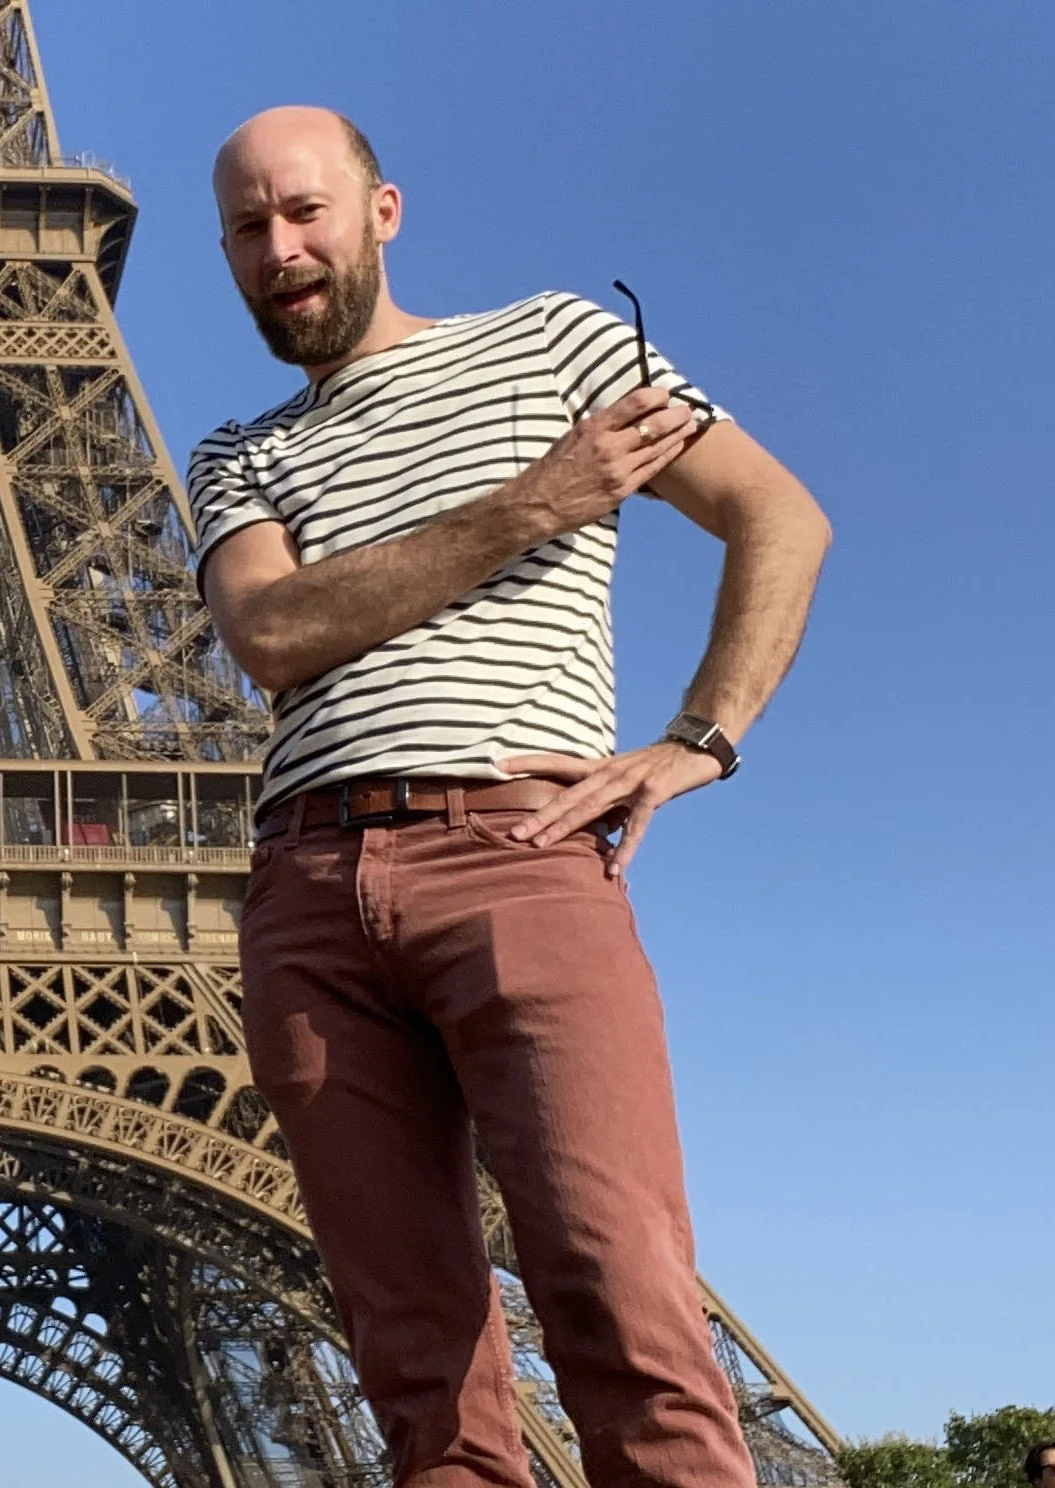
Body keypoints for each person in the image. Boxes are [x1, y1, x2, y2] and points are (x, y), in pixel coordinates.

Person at [189, 106, 831, 1488]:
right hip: (304, 892)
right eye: (248, 228)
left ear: (384, 209)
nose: (280, 249)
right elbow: (275, 636)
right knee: (419, 1372)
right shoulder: (237, 453)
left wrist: (699, 737)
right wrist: (537, 501)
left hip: (515, 849)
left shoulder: (555, 342)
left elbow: (779, 513)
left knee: (620, 1295)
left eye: (304, 211)